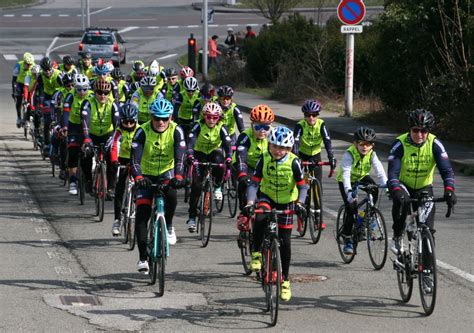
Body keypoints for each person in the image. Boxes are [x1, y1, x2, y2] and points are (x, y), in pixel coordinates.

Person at [242, 126, 307, 302]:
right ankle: (256, 253)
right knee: (260, 217)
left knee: (285, 242)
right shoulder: (263, 159)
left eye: (284, 148)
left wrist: (300, 203)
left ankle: (285, 280)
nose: (279, 151)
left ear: (290, 148)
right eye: (275, 146)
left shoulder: (294, 162)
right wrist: (249, 203)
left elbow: (303, 186)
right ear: (269, 145)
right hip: (267, 197)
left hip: (287, 201)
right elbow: (254, 183)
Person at [387, 109, 456, 253]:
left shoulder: (435, 143)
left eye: (424, 131)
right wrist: (395, 189)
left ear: (428, 131)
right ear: (410, 129)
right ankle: (398, 236)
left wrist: (449, 190)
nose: (419, 135)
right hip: (403, 184)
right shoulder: (400, 144)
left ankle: (427, 272)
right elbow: (393, 172)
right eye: (415, 130)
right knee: (402, 201)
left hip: (424, 186)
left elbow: (446, 170)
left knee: (428, 230)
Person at [131, 98, 186, 273]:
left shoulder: (176, 130)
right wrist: (138, 177)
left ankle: (168, 225)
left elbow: (180, 156)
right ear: (151, 117)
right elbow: (134, 159)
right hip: (146, 174)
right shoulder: (142, 131)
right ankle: (142, 258)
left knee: (171, 196)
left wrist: (178, 176)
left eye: (164, 118)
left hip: (166, 172)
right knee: (142, 214)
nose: (161, 122)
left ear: (170, 117)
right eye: (156, 118)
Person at [335, 127, 388, 255]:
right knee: (351, 207)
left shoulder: (372, 155)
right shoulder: (349, 154)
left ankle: (365, 217)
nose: (365, 147)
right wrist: (349, 191)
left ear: (372, 145)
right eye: (362, 144)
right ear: (355, 143)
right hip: (346, 181)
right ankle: (347, 238)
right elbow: (346, 174)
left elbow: (380, 172)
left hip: (362, 177)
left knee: (374, 190)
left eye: (368, 144)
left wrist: (387, 187)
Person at [186, 102, 232, 232]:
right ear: (204, 116)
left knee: (221, 161)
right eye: (208, 117)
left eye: (215, 117)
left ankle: (217, 187)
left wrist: (229, 157)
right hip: (199, 153)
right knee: (196, 186)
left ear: (219, 118)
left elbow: (227, 144)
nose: (211, 120)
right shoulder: (197, 125)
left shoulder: (221, 127)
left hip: (213, 152)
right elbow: (191, 141)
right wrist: (189, 155)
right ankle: (192, 217)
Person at [293, 99, 336, 229]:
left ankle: (318, 218)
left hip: (316, 156)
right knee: (302, 186)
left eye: (314, 114)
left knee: (317, 188)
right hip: (302, 155)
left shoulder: (322, 125)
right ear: (304, 115)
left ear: (318, 114)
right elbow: (295, 142)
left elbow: (327, 142)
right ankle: (301, 214)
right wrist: (296, 158)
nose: (311, 117)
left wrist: (331, 157)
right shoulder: (300, 125)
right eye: (308, 115)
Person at [234, 104, 275, 229]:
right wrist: (242, 174)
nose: (262, 130)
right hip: (247, 165)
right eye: (258, 126)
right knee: (245, 183)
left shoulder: (274, 135)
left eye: (266, 127)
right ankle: (244, 214)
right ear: (252, 125)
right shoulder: (245, 136)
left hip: (265, 167)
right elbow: (241, 156)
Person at [80, 78, 120, 198]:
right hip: (91, 134)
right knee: (86, 154)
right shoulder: (88, 103)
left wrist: (112, 139)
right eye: (100, 93)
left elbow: (117, 124)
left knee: (112, 159)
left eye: (106, 93)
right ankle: (87, 180)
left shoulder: (113, 104)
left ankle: (111, 188)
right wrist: (87, 138)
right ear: (95, 92)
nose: (103, 95)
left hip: (108, 134)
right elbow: (85, 121)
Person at [110, 103, 140, 236]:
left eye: (131, 122)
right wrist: (115, 161)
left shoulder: (140, 130)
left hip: (137, 161)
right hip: (122, 160)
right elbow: (115, 145)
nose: (128, 125)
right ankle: (117, 219)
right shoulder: (119, 131)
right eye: (125, 122)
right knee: (120, 189)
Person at [62, 74, 94, 195]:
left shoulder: (91, 95)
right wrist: (65, 127)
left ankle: (89, 179)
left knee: (88, 155)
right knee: (73, 151)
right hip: (74, 126)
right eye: (79, 89)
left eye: (84, 89)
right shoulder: (70, 96)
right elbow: (65, 113)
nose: (82, 92)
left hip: (88, 126)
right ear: (75, 88)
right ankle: (73, 181)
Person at [12, 52, 35, 128]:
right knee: (18, 101)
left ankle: (27, 119)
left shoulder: (33, 67)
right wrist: (13, 91)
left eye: (30, 64)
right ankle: (18, 117)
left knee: (28, 102)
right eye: (28, 64)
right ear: (24, 62)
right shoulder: (18, 66)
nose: (29, 66)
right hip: (19, 84)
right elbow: (14, 79)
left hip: (29, 85)